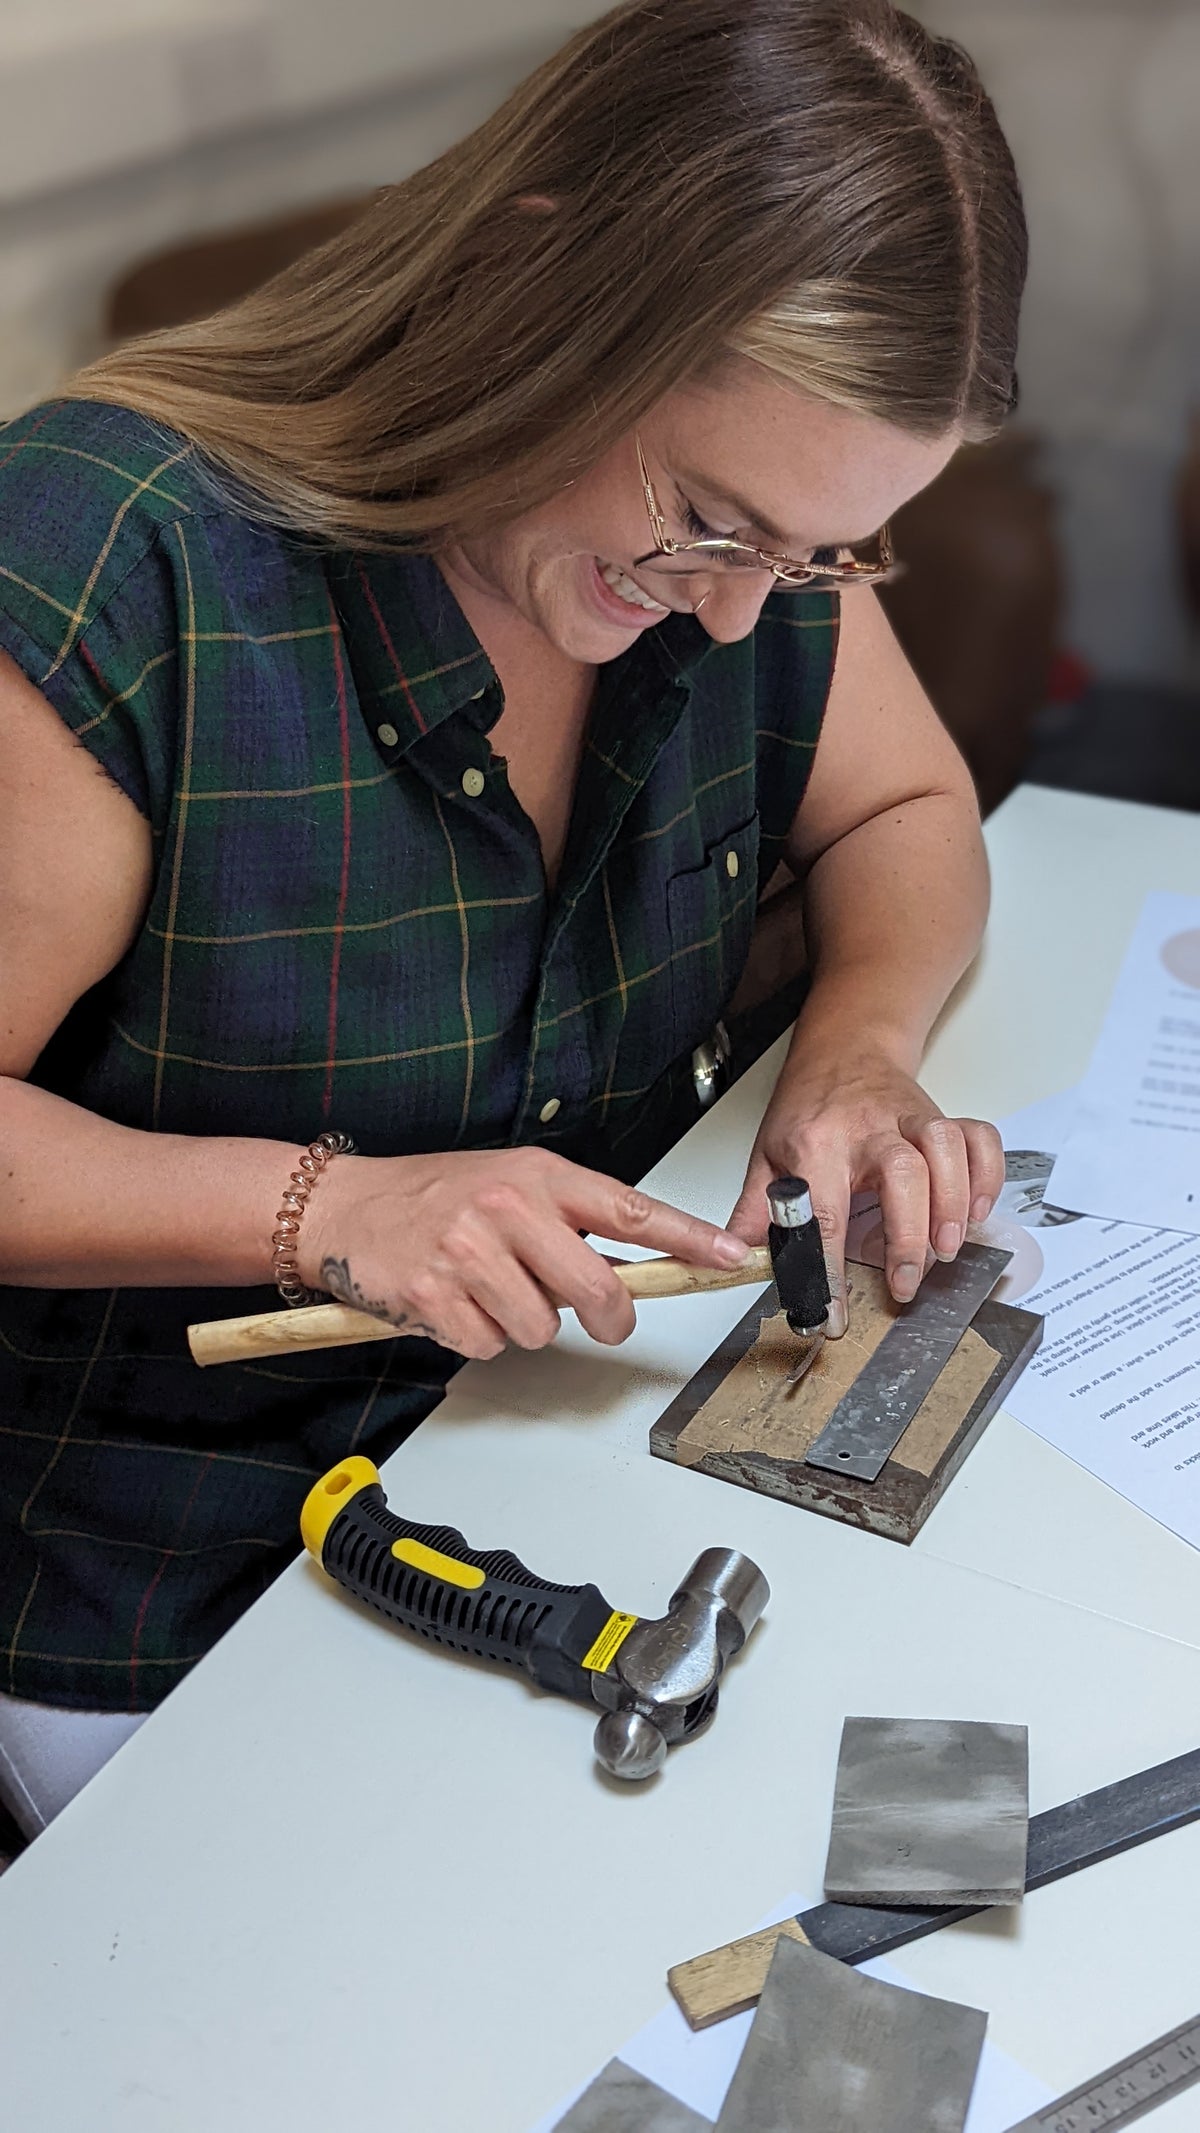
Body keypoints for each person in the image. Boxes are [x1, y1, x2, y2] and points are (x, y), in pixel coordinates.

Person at [0, 0, 1024, 1833]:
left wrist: (858, 1050)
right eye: (711, 518)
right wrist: (326, 1206)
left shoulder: (745, 562)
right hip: (173, 1557)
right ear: (544, 289)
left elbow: (909, 804)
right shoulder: (123, 556)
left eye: (818, 558)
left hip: (582, 1460)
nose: (741, 618)